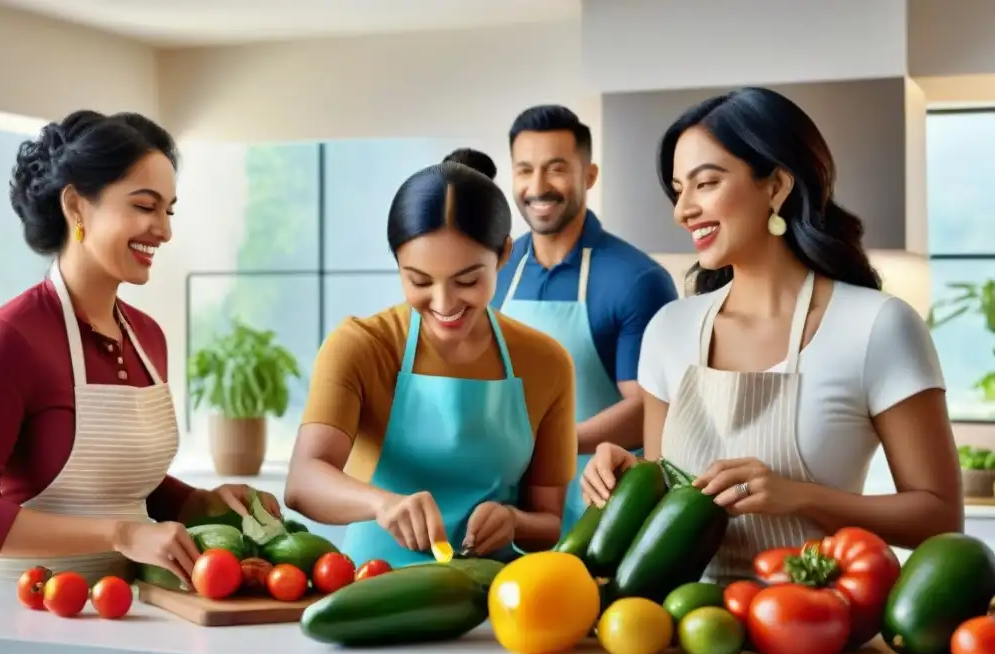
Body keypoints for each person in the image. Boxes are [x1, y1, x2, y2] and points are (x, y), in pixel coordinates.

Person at [581, 87, 962, 583]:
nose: (683, 210)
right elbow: (665, 504)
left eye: (706, 183)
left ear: (777, 185)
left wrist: (800, 495)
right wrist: (632, 478)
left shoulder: (878, 326)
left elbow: (940, 518)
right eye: (678, 190)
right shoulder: (670, 330)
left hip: (811, 630)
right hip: (681, 630)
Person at [0, 110, 281, 587]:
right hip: (21, 618)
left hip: (126, 612)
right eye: (144, 206)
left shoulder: (147, 336)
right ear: (76, 206)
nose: (164, 230)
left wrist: (200, 502)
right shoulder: (9, 339)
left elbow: (122, 487)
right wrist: (121, 535)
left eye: (169, 210)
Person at [285, 155, 577, 568]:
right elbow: (303, 480)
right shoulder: (361, 346)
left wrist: (514, 521)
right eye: (419, 281)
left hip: (498, 603)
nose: (444, 304)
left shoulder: (547, 362)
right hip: (371, 588)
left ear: (504, 253)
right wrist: (382, 505)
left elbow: (549, 520)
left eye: (467, 280)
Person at [493, 105, 678, 535]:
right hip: (503, 516)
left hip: (600, 518)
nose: (537, 187)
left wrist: (548, 446)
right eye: (525, 170)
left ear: (589, 176)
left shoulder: (637, 280)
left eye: (556, 169)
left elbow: (652, 407)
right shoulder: (496, 268)